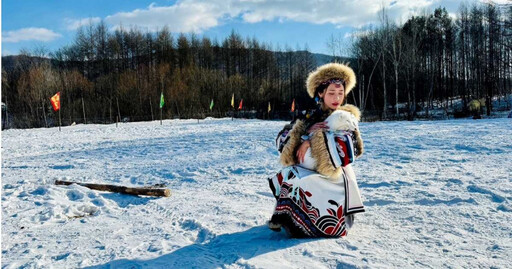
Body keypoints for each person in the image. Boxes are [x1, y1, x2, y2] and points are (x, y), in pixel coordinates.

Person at [268, 63, 365, 238]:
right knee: (290, 173)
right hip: (310, 170)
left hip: (335, 176)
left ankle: (321, 223)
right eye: (331, 93)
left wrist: (312, 141)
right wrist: (304, 134)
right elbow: (283, 138)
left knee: (298, 178)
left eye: (340, 93)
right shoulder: (308, 116)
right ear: (320, 93)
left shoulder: (345, 116)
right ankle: (291, 220)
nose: (336, 98)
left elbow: (353, 149)